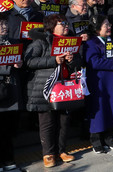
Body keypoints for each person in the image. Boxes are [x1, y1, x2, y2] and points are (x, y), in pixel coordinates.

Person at [24, 14, 80, 168]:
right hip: (46, 88)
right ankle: (48, 154)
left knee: (64, 121)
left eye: (67, 24)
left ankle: (61, 150)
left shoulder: (70, 41)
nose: (66, 26)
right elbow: (28, 61)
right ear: (51, 26)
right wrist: (53, 60)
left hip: (64, 87)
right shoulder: (41, 41)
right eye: (62, 24)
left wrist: (72, 60)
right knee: (47, 122)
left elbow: (79, 61)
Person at [84, 15, 113, 154]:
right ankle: (96, 140)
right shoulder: (90, 42)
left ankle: (109, 138)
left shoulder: (111, 41)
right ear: (97, 29)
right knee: (99, 110)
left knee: (111, 108)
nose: (109, 27)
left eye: (109, 24)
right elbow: (93, 62)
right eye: (106, 25)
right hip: (98, 82)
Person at [0, 14, 24, 171]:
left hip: (12, 89)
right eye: (1, 25)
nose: (4, 27)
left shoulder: (13, 42)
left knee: (8, 130)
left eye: (5, 24)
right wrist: (8, 66)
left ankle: (8, 159)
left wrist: (19, 63)